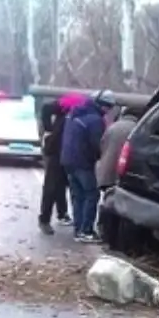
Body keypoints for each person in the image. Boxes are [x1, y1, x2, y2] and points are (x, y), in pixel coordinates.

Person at [60, 90, 116, 243]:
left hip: (67, 161)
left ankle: (78, 230)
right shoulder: (95, 120)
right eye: (108, 107)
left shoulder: (74, 113)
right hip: (83, 163)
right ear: (102, 105)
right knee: (91, 195)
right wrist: (101, 157)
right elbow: (97, 144)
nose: (108, 111)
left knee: (77, 196)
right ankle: (86, 230)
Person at [94, 106, 139, 236]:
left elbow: (102, 144)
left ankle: (102, 227)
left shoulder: (113, 127)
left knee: (107, 199)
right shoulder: (136, 129)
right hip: (122, 172)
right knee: (120, 204)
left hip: (106, 170)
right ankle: (113, 232)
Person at [37, 95, 78, 235]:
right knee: (52, 185)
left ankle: (62, 213)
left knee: (61, 184)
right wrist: (49, 129)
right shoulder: (76, 104)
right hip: (57, 149)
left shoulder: (77, 106)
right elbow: (46, 108)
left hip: (66, 150)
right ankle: (44, 219)